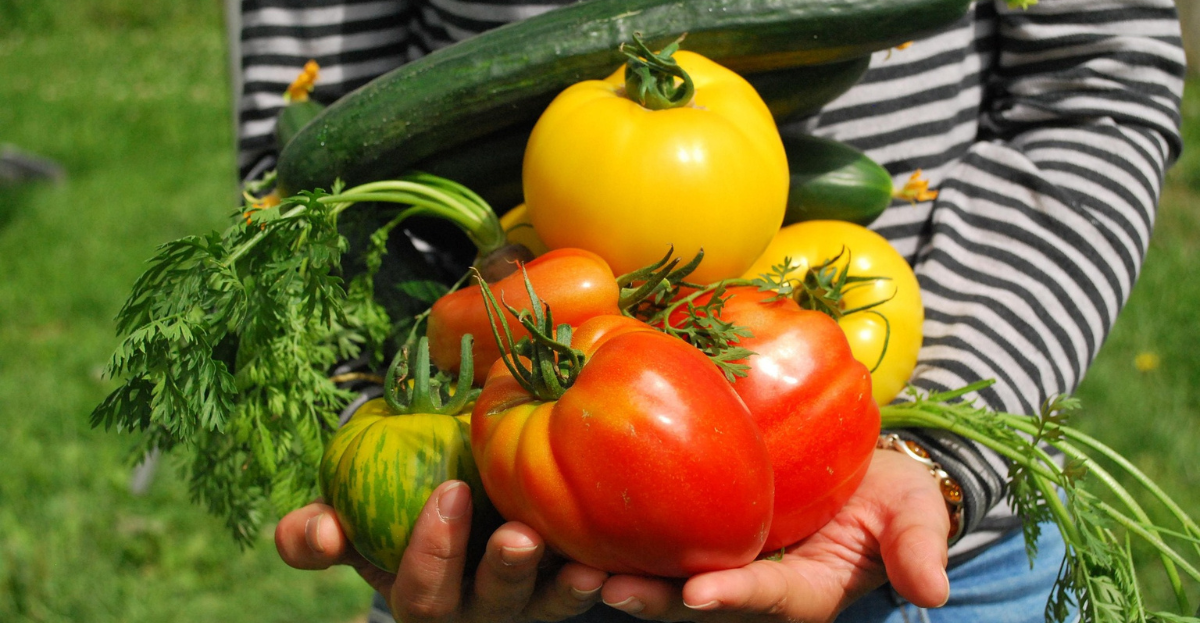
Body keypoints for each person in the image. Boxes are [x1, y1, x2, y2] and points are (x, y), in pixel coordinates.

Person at [240, 0, 1187, 620]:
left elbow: (1098, 89)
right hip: (501, 523)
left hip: (939, 550)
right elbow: (305, 168)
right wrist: (386, 444)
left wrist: (941, 449)